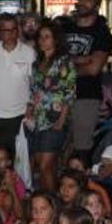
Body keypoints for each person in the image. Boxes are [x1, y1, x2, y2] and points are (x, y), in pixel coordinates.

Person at [63, 0, 112, 161]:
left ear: (97, 5)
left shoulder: (101, 32)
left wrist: (68, 65)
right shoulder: (65, 28)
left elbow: (94, 69)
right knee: (60, 148)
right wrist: (83, 59)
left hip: (86, 96)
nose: (82, 2)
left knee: (81, 148)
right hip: (60, 96)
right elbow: (54, 60)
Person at [27, 21, 76, 192]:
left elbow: (69, 93)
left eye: (47, 37)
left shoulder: (64, 62)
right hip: (37, 120)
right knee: (42, 165)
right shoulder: (36, 64)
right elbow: (33, 91)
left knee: (46, 163)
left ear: (55, 40)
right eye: (40, 37)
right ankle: (51, 200)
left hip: (55, 118)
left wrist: (62, 120)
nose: (42, 41)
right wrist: (29, 111)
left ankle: (52, 201)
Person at [0, 13, 35, 153]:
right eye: (5, 30)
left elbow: (34, 85)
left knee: (20, 159)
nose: (9, 33)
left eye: (13, 29)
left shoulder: (29, 53)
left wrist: (31, 108)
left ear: (17, 30)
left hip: (20, 115)